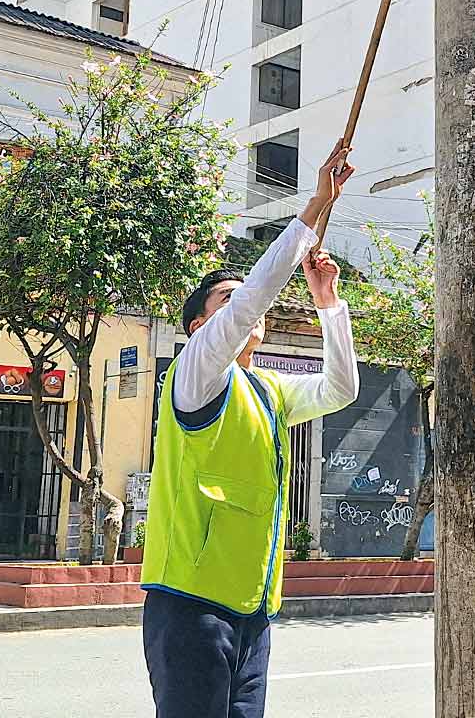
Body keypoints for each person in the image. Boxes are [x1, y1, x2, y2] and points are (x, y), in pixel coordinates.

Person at [142, 142, 360, 718]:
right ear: (198, 325)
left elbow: (341, 390)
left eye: (244, 294)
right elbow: (246, 308)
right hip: (192, 606)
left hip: (253, 611)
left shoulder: (267, 390)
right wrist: (313, 208)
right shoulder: (194, 374)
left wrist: (328, 303)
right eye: (227, 297)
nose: (245, 304)